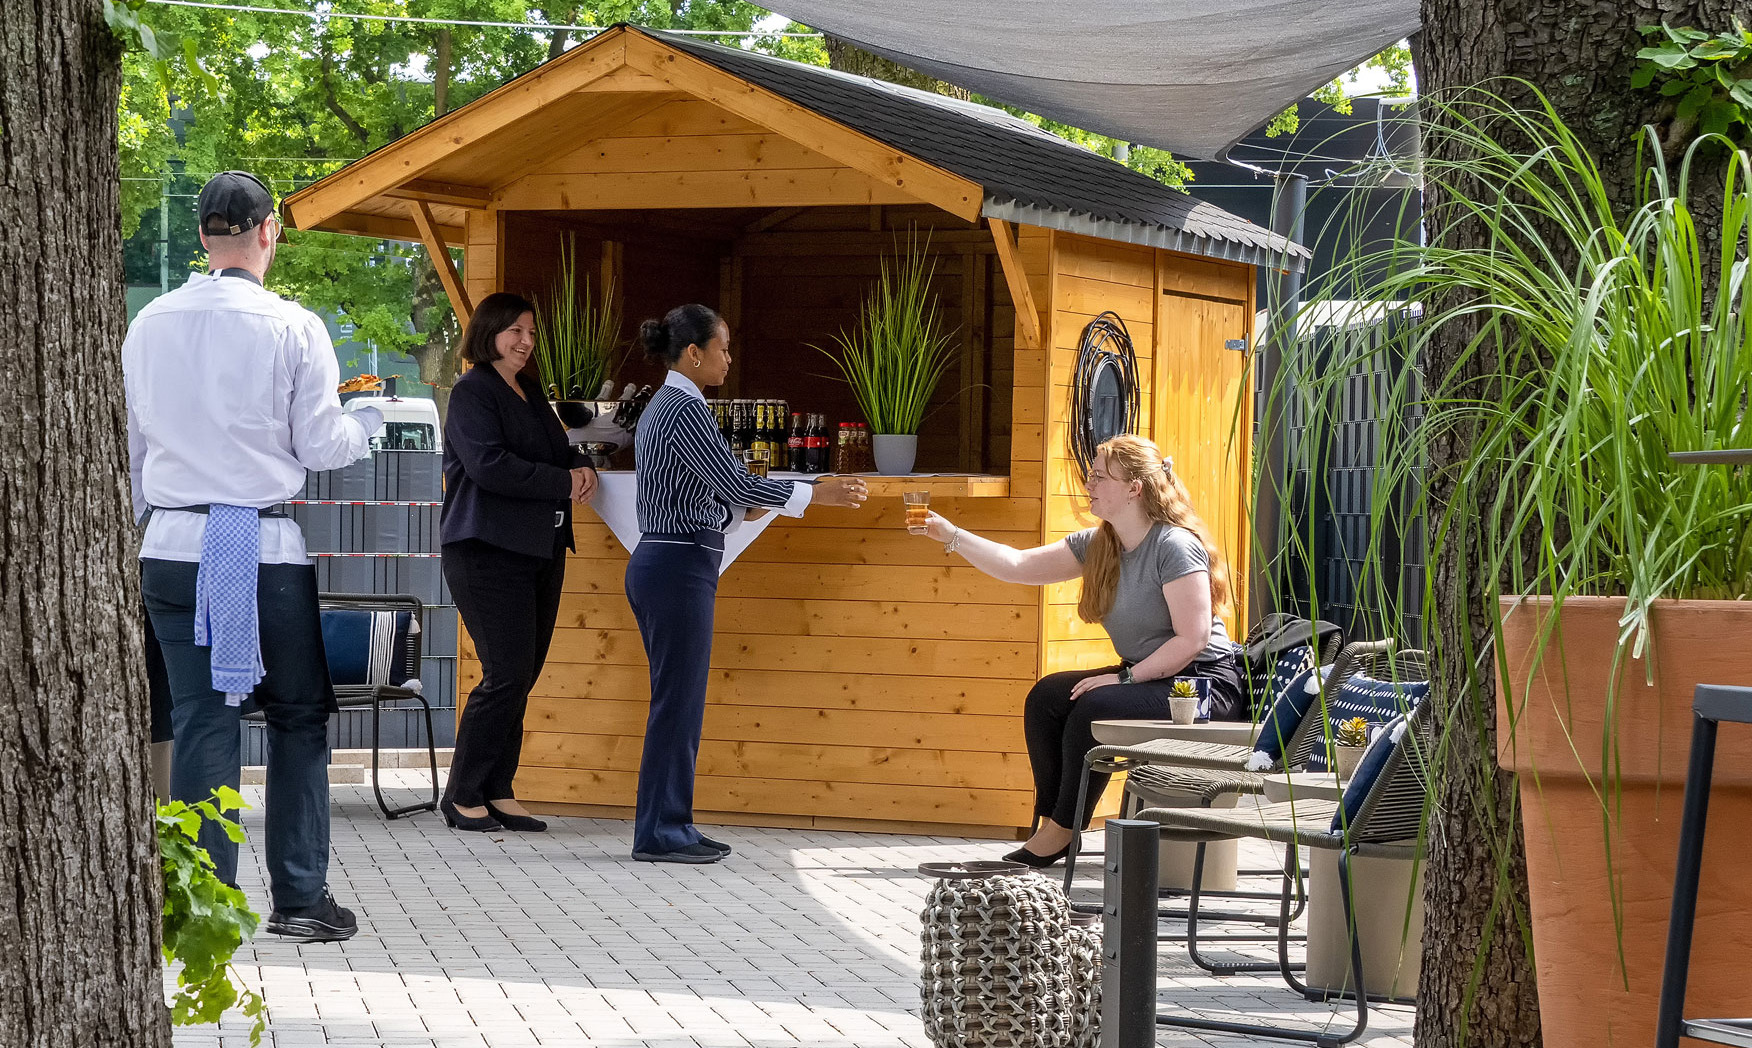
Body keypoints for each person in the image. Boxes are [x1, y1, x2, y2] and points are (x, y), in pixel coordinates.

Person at [127, 169, 383, 941]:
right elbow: (320, 444)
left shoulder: (149, 324)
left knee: (205, 720)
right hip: (262, 545)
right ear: (268, 232)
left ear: (203, 235)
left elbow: (134, 451)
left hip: (171, 540)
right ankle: (301, 898)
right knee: (300, 717)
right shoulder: (293, 325)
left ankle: (203, 906)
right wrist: (364, 418)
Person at [911, 431, 1239, 868]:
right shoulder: (1099, 544)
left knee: (1094, 704)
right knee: (1049, 696)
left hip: (1202, 683)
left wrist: (1122, 678)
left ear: (1133, 489)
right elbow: (1019, 566)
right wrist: (951, 534)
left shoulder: (1173, 546)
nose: (1089, 483)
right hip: (1151, 674)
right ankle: (1052, 822)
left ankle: (1064, 831)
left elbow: (1192, 639)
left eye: (1100, 477)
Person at [626, 304, 868, 863]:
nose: (729, 359)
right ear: (695, 353)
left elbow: (708, 490)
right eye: (724, 348)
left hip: (673, 560)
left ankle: (673, 824)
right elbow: (732, 481)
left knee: (680, 701)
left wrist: (745, 508)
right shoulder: (682, 408)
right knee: (677, 703)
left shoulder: (674, 406)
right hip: (677, 564)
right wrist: (814, 493)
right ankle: (661, 831)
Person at [438, 292, 597, 834]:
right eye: (515, 332)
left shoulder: (528, 391)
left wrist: (581, 465)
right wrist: (563, 481)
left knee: (521, 676)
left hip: (540, 549)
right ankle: (461, 793)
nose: (526, 342)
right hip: (485, 551)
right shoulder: (472, 391)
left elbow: (559, 450)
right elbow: (490, 466)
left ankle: (497, 787)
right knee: (505, 674)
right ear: (490, 333)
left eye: (531, 332)